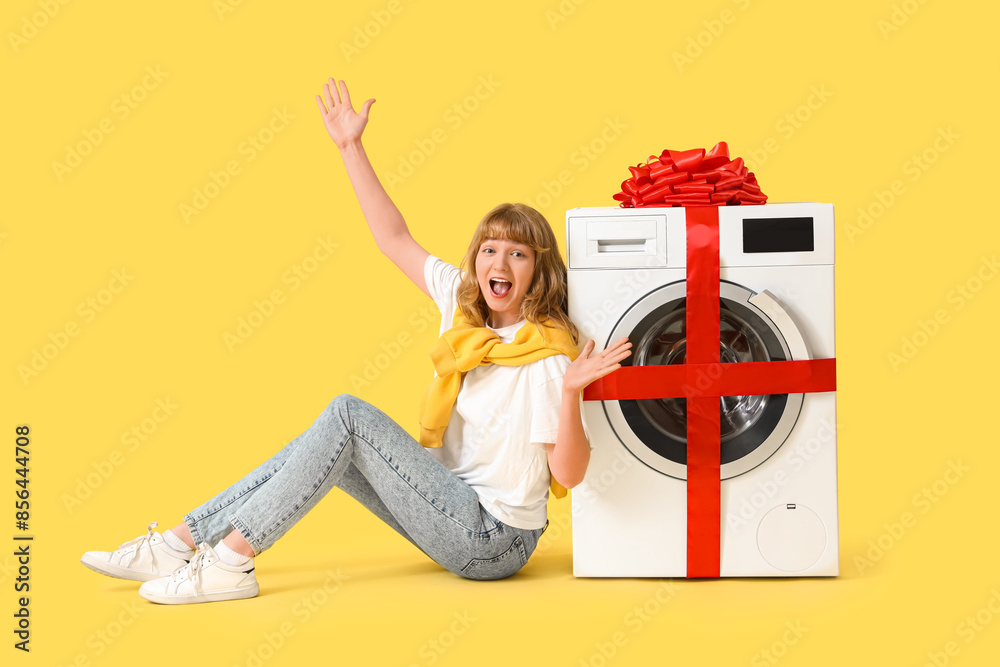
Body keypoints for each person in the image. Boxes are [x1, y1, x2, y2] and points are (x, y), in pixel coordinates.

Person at [80, 78, 631, 604]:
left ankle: (230, 562)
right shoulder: (463, 310)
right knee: (322, 447)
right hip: (447, 503)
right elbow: (393, 237)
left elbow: (569, 475)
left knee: (346, 415)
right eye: (489, 249)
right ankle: (181, 544)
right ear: (476, 261)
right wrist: (351, 146)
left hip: (494, 540)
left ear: (538, 270)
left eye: (518, 253)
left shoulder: (546, 351)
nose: (499, 262)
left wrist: (571, 392)